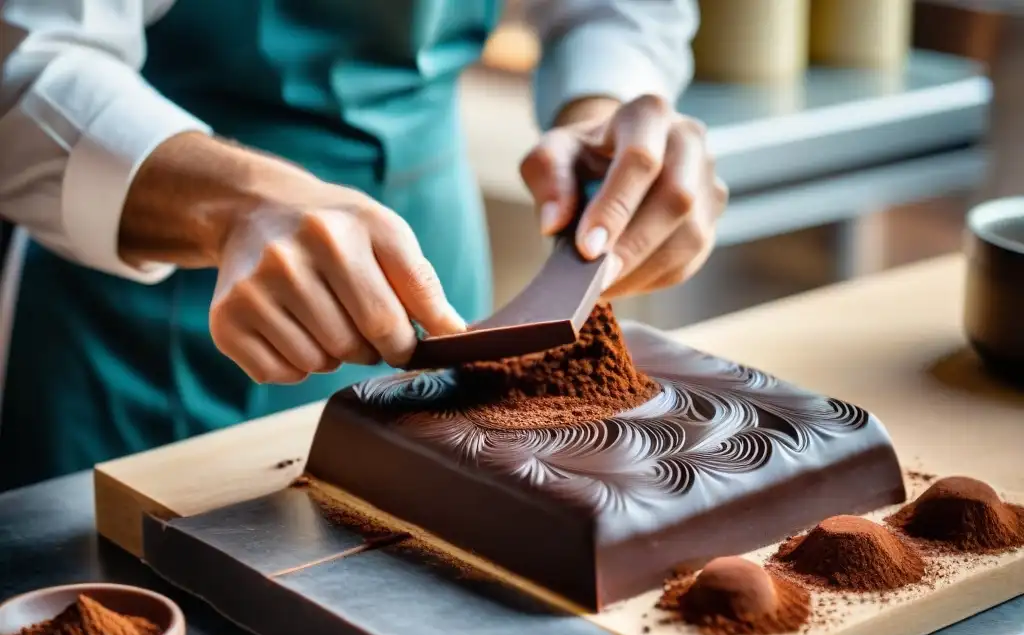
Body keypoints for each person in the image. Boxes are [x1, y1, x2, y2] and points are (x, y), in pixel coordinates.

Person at [0, 1, 727, 492]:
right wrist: (235, 204)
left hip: (431, 232)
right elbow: (23, 56)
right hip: (159, 288)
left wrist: (607, 103)